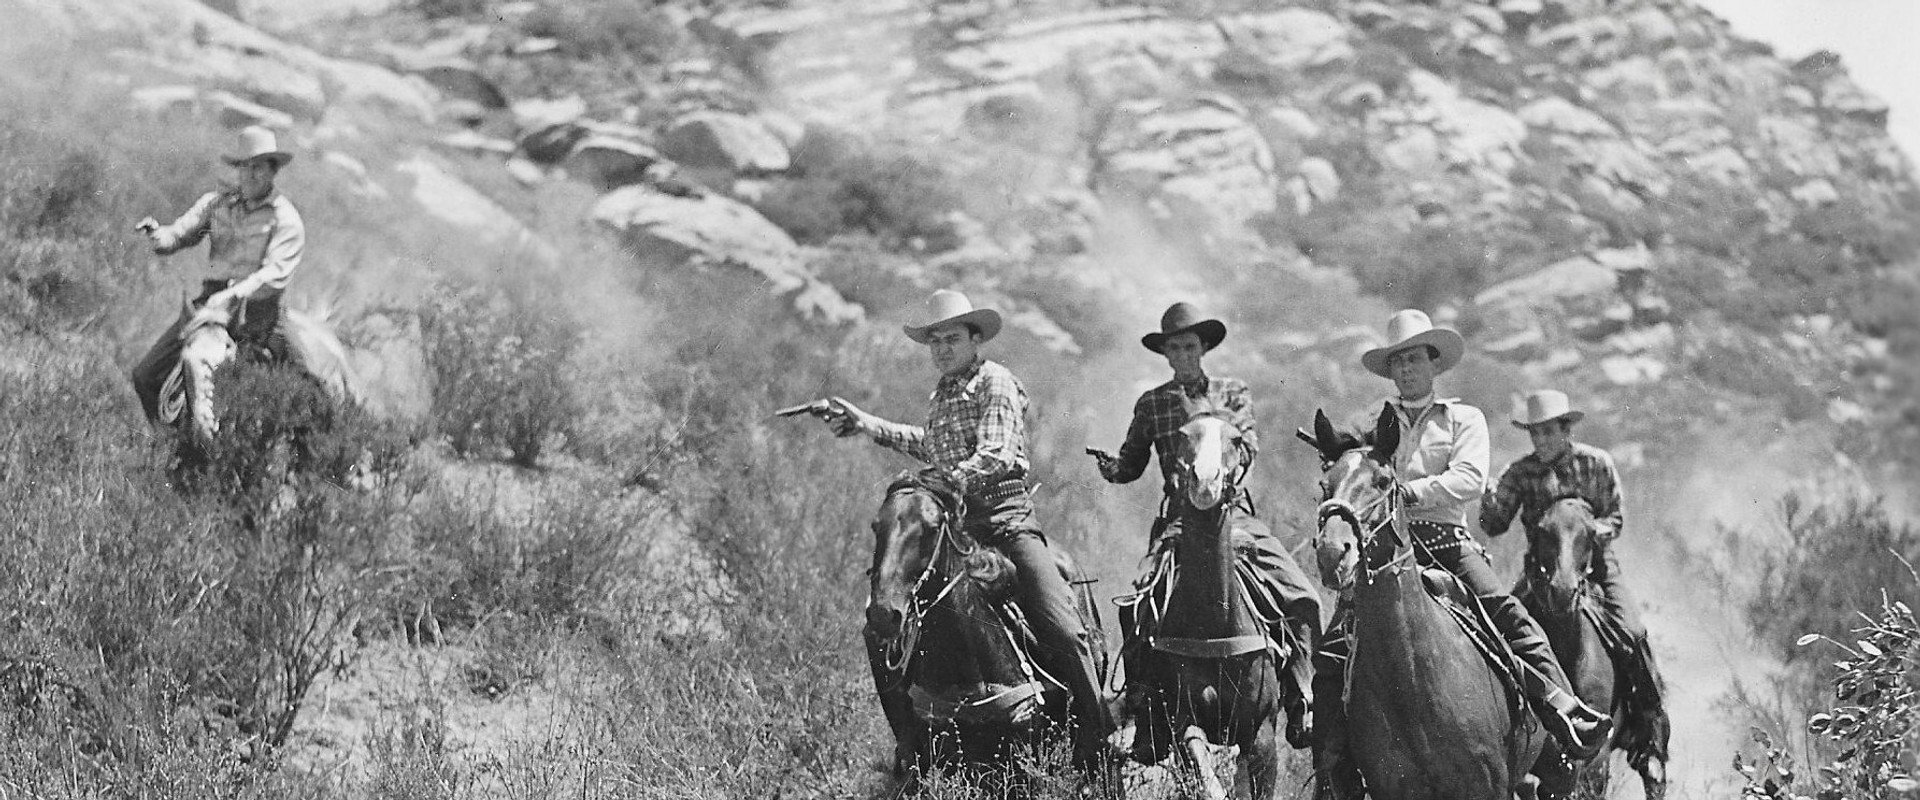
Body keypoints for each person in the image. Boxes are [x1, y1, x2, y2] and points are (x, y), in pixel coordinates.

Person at [1314, 310, 1612, 788]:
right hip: (1385, 553)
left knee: (1507, 612)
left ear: (1434, 364)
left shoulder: (1462, 418)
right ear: (1390, 371)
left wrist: (1411, 493)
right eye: (1398, 362)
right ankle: (1329, 757)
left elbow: (1471, 479)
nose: (1406, 369)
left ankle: (1562, 717)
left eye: (1414, 359)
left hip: (1446, 544)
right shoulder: (1372, 422)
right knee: (1334, 647)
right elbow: (1353, 467)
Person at [820, 290, 1114, 770]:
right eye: (934, 341)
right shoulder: (943, 394)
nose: (941, 349)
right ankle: (910, 741)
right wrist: (865, 424)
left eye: (951, 339)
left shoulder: (994, 382)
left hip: (1006, 524)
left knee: (1063, 625)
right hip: (955, 530)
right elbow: (928, 443)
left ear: (975, 339)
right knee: (879, 625)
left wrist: (942, 483)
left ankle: (1099, 739)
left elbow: (995, 452)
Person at [1086, 302, 1321, 751]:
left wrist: (1221, 469)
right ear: (1166, 354)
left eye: (1190, 346)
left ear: (1204, 347)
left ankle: (1301, 694)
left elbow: (1248, 446)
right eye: (1174, 348)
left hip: (1237, 517)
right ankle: (1141, 707)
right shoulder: (1152, 403)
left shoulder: (1232, 394)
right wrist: (1111, 468)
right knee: (1135, 602)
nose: (1183, 355)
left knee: (1300, 593)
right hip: (1178, 522)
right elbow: (1133, 463)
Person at [1482, 389, 1667, 757]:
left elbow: (1615, 516)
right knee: (1501, 632)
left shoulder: (1595, 463)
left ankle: (1649, 727)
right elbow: (1496, 524)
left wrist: (1589, 533)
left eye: (1549, 432)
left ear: (1566, 430)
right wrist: (1488, 504)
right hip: (1541, 572)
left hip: (1595, 565)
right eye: (1535, 433)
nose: (1541, 440)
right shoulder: (1520, 473)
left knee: (1632, 629)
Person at [131, 125, 308, 424]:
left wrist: (233, 294)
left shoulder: (285, 219)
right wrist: (158, 235)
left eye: (259, 168)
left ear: (273, 172)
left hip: (257, 314)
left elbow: (274, 274)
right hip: (210, 308)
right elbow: (179, 234)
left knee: (303, 391)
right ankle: (170, 444)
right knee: (146, 374)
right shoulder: (216, 204)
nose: (250, 175)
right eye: (245, 167)